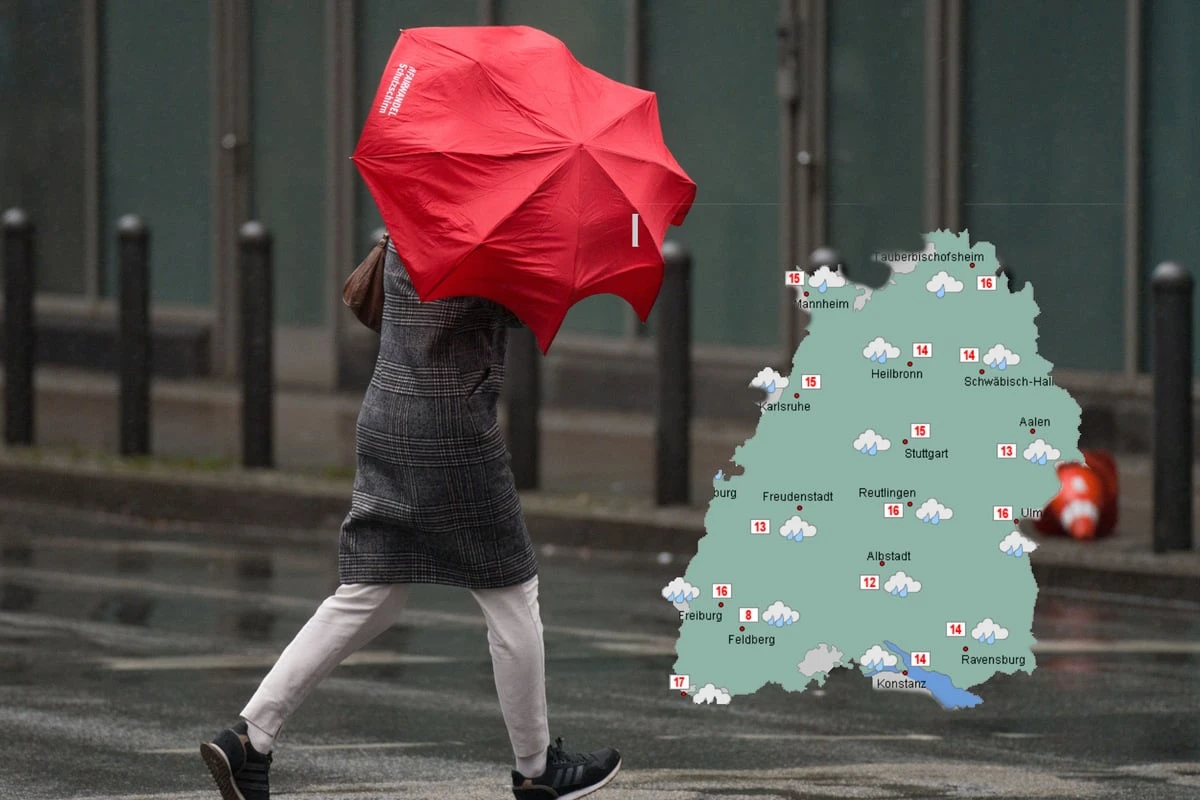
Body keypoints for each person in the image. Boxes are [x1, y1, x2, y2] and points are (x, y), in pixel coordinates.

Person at [200, 241, 621, 800]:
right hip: (451, 432)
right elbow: (529, 310)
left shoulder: (417, 211)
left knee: (371, 591)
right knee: (511, 592)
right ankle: (537, 769)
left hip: (387, 416)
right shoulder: (487, 238)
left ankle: (251, 738)